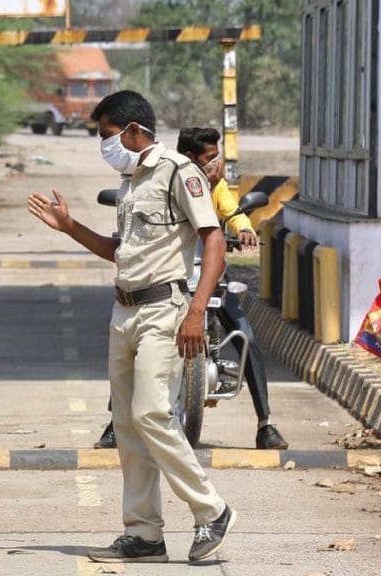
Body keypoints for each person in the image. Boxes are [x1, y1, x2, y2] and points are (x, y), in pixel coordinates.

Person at [29, 91, 236, 564]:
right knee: (127, 425)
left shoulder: (177, 172)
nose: (104, 146)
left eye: (107, 135)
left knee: (151, 414)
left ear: (134, 130)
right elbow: (119, 250)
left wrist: (197, 311)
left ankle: (212, 508)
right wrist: (69, 226)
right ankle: (144, 533)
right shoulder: (130, 179)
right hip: (124, 312)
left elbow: (214, 241)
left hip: (165, 310)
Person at [94, 127, 288, 451]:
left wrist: (244, 229)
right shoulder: (163, 182)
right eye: (211, 158)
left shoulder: (215, 187)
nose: (217, 164)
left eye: (217, 157)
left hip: (207, 280)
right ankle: (117, 420)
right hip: (168, 284)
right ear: (189, 159)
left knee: (246, 337)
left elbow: (231, 211)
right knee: (132, 345)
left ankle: (265, 423)